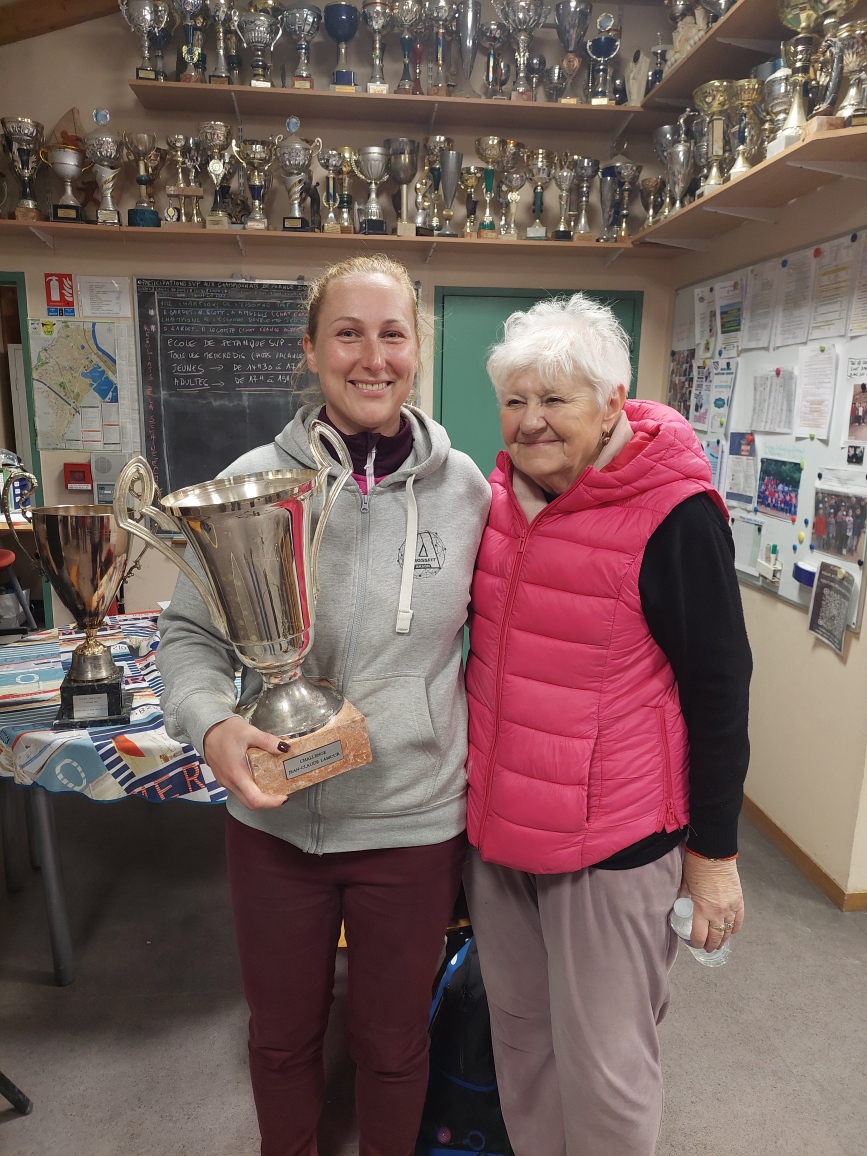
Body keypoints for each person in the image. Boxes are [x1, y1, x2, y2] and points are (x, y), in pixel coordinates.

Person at [157, 255, 490, 1156]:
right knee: (280, 1039)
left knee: (390, 1045)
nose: (371, 357)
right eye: (348, 333)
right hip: (275, 827)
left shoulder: (467, 492)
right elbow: (185, 641)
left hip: (412, 822)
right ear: (311, 349)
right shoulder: (252, 478)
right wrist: (214, 725)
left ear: (418, 349)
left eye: (392, 334)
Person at [463, 294, 752, 1156]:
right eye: (515, 401)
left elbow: (720, 687)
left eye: (555, 399)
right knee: (520, 1050)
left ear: (611, 402)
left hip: (611, 844)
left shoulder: (673, 511)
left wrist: (713, 859)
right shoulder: (494, 499)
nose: (531, 420)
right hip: (500, 840)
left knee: (606, 1068)